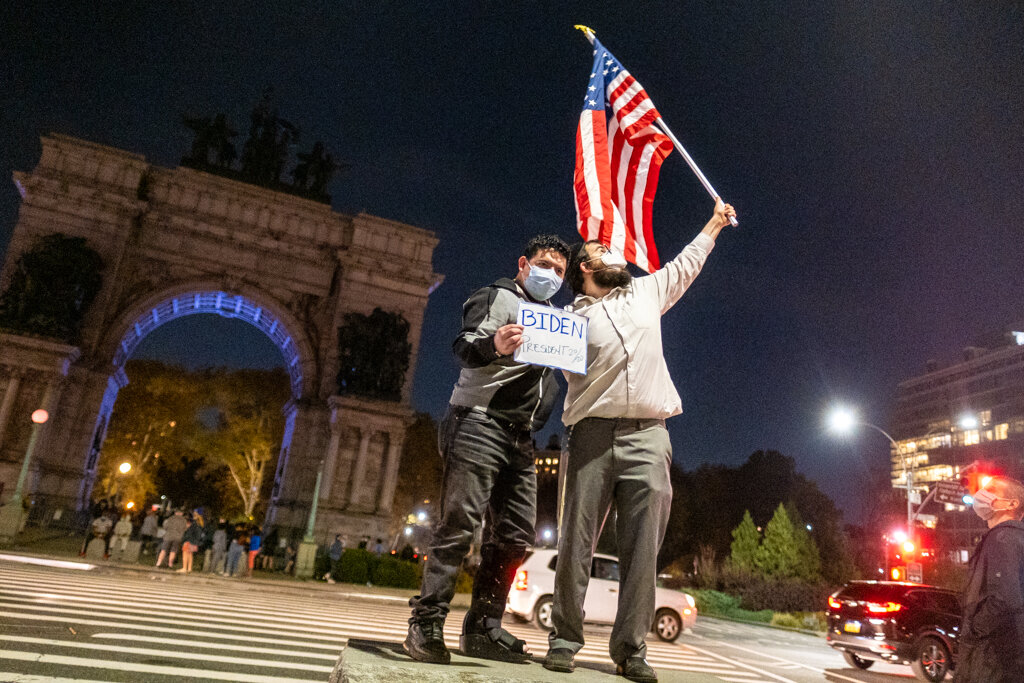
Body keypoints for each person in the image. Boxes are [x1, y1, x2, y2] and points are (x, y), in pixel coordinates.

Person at [544, 199, 735, 682]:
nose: (618, 254)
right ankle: (565, 639)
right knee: (576, 542)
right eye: (606, 250)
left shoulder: (646, 293)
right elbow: (540, 362)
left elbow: (684, 265)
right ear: (586, 267)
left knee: (642, 547)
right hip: (590, 436)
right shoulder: (568, 321)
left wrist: (712, 223)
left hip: (650, 437)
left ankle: (630, 650)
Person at [405, 235, 570, 665]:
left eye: (559, 271)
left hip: (521, 437)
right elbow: (462, 345)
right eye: (544, 265)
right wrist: (494, 345)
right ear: (523, 263)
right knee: (460, 523)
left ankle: (483, 628)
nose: (551, 275)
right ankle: (425, 623)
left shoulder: (556, 319)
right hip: (479, 422)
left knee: (516, 534)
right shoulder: (498, 296)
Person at [953, 476, 1024, 683]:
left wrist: (974, 630)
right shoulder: (1015, 539)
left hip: (993, 661)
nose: (981, 494)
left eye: (991, 489)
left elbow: (1004, 598)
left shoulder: (1002, 538)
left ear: (1012, 504)